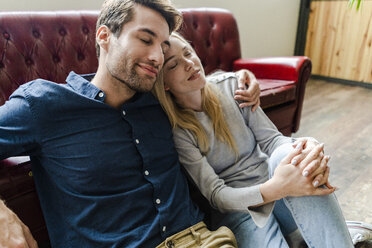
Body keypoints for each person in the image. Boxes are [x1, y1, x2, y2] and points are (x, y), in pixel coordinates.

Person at [0, 0, 264, 247]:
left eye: (162, 47)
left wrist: (241, 77)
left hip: (203, 239)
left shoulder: (158, 98)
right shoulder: (45, 104)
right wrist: (3, 218)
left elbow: (199, 83)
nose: (157, 58)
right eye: (145, 39)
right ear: (104, 36)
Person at [152, 32, 354, 247]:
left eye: (188, 53)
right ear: (164, 84)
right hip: (241, 212)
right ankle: (300, 237)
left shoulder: (232, 86)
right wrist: (276, 188)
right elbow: (216, 196)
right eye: (173, 65)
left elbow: (273, 140)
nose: (189, 64)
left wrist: (306, 144)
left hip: (280, 193)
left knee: (289, 154)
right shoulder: (178, 130)